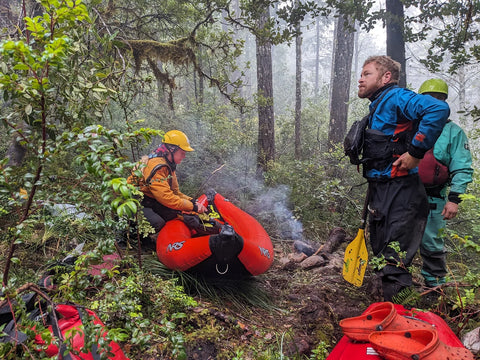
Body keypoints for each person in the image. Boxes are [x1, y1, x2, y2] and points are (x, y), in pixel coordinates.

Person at [356, 56, 450, 301]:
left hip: (401, 191)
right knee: (382, 252)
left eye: (367, 74)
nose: (360, 78)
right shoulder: (379, 103)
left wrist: (416, 153)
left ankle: (401, 313)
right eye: (362, 74)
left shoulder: (397, 97)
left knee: (394, 259)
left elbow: (438, 109)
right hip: (383, 189)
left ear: (386, 77)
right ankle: (387, 305)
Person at [417, 78, 474, 288]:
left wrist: (454, 199)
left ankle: (435, 287)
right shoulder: (408, 126)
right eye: (428, 99)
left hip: (434, 197)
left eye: (438, 99)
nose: (434, 102)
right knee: (397, 240)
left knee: (432, 244)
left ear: (444, 103)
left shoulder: (453, 132)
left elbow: (462, 167)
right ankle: (396, 286)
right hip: (403, 195)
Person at [128, 130, 207, 243]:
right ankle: (130, 236)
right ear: (172, 149)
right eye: (182, 152)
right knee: (157, 223)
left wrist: (193, 201)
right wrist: (193, 207)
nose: (184, 156)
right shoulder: (158, 166)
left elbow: (175, 193)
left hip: (148, 200)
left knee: (172, 213)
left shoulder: (168, 165)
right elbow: (166, 198)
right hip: (132, 201)